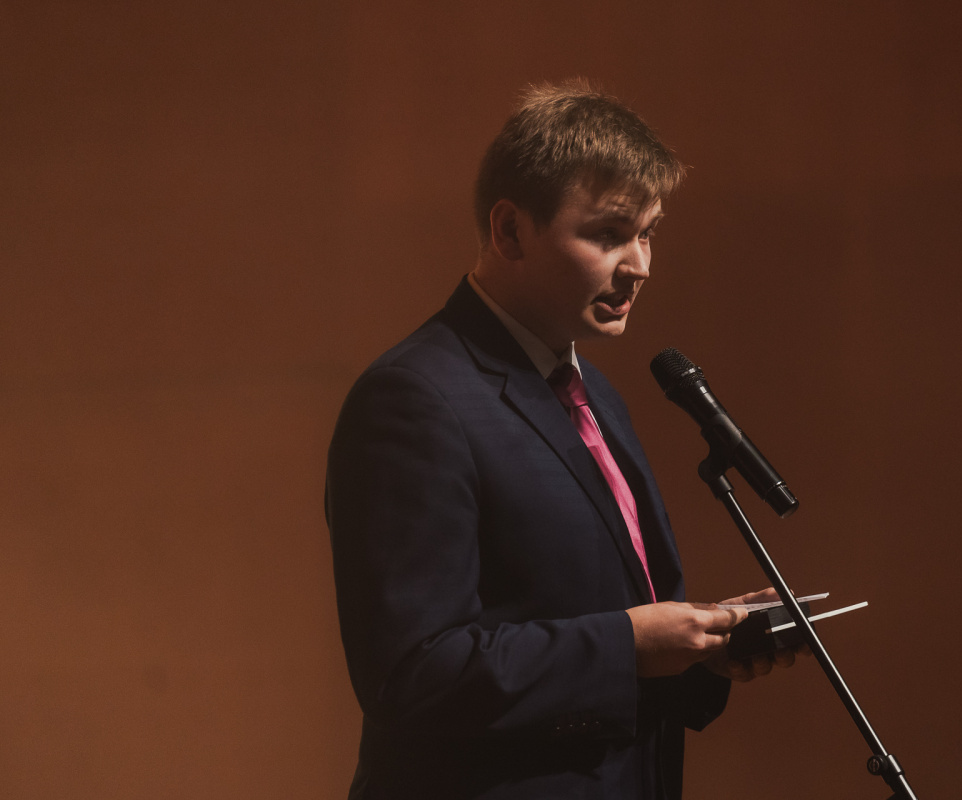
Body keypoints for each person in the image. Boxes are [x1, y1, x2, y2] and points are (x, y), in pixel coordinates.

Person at [325, 80, 796, 800]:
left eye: (648, 233)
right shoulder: (413, 401)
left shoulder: (593, 393)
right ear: (510, 231)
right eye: (608, 235)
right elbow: (413, 676)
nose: (640, 265)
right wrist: (629, 646)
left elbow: (598, 627)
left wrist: (701, 648)